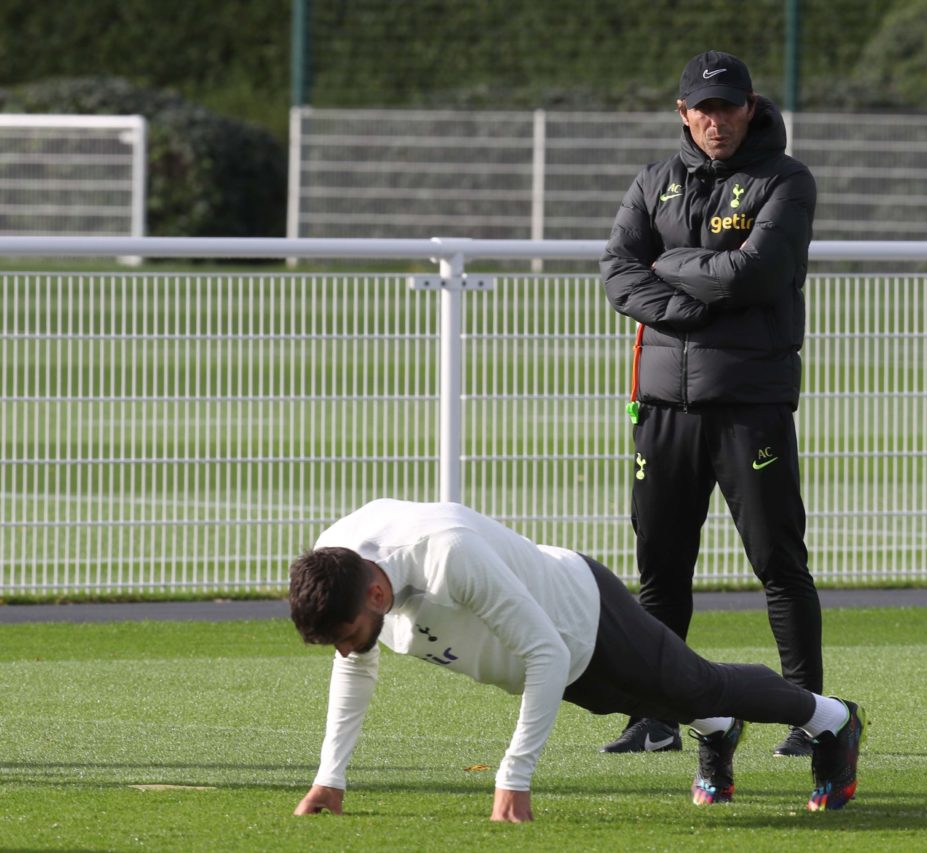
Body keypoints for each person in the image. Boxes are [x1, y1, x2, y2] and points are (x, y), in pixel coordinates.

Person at [288, 499, 865, 823]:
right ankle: (717, 732)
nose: (347, 648)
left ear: (377, 597)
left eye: (348, 634)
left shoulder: (446, 557)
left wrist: (513, 779)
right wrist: (329, 779)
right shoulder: (339, 560)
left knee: (700, 686)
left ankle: (830, 718)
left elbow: (548, 653)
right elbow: (354, 666)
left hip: (586, 617)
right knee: (647, 701)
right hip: (551, 655)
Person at [600, 49, 822, 757]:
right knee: (660, 567)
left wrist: (670, 268)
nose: (716, 120)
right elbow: (616, 274)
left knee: (777, 562)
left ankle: (809, 714)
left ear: (750, 107)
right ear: (683, 113)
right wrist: (695, 305)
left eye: (729, 107)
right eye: (703, 108)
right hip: (663, 406)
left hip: (748, 405)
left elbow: (754, 276)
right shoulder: (654, 181)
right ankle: (655, 715)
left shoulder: (785, 180)